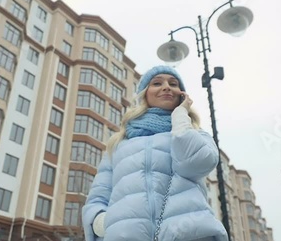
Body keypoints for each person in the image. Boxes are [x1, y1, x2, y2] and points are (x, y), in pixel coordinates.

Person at [82, 65, 228, 241]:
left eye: (173, 84)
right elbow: (98, 197)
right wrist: (105, 224)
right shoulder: (119, 143)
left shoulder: (196, 134)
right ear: (145, 93)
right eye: (157, 83)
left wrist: (181, 115)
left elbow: (194, 164)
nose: (166, 87)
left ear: (181, 95)